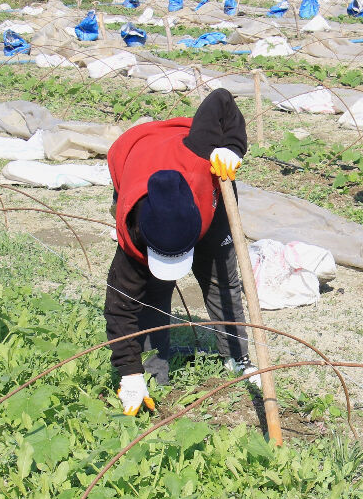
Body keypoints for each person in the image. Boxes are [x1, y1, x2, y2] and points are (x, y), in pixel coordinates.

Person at [104, 89, 255, 416]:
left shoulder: (203, 156)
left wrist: (232, 147)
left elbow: (222, 99)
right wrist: (129, 373)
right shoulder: (132, 234)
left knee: (221, 280)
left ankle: (237, 357)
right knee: (153, 291)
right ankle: (152, 373)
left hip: (203, 179)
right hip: (136, 150)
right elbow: (120, 308)